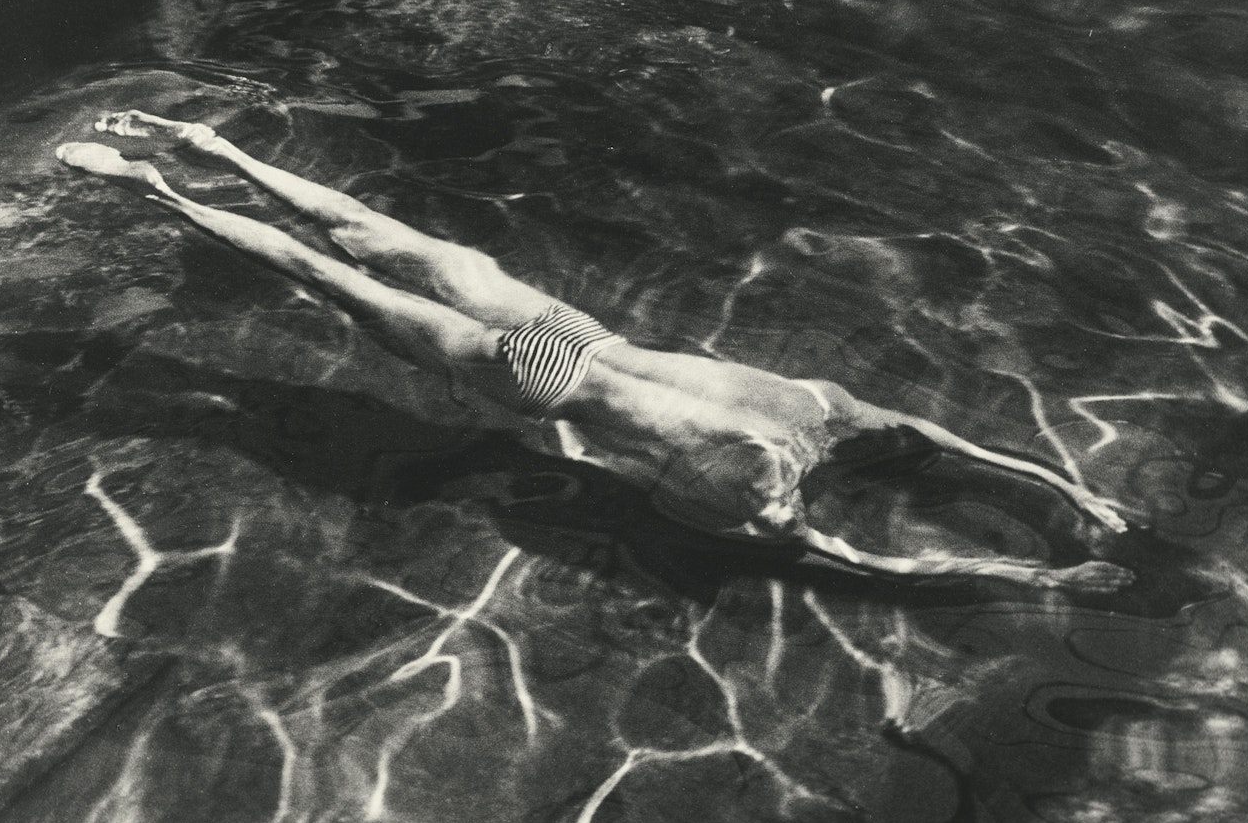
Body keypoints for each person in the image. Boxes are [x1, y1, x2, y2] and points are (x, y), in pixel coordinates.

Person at [56, 110, 1135, 593]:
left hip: (569, 327)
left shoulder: (815, 404)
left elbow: (942, 443)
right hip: (535, 380)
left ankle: (206, 146)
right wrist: (1033, 569)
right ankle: (151, 185)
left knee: (380, 237)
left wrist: (1065, 489)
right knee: (330, 278)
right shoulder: (756, 505)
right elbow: (879, 565)